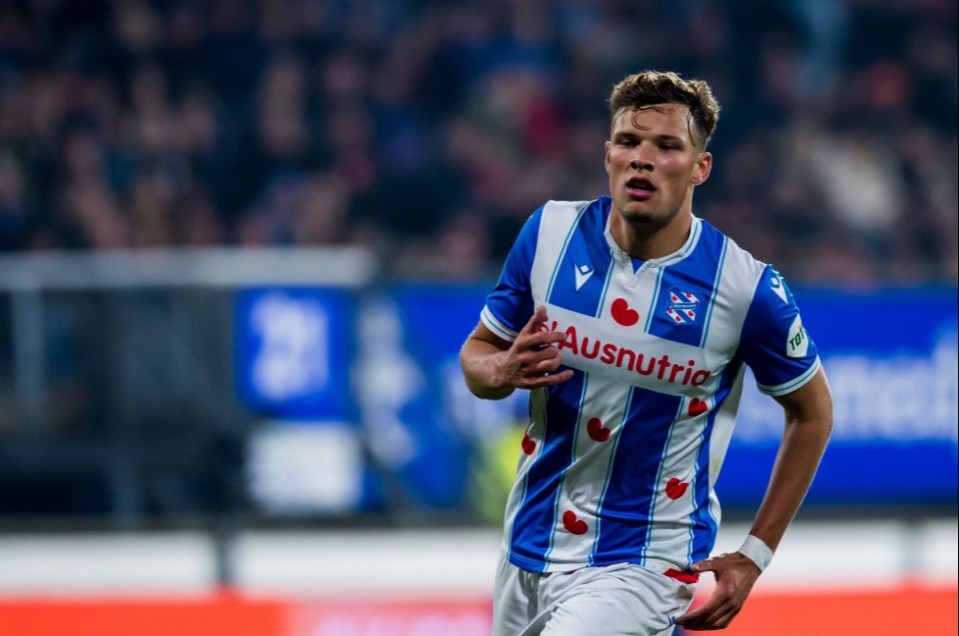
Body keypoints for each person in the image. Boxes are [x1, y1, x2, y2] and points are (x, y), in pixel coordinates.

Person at [459, 70, 833, 635]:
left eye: (667, 146)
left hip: (645, 561)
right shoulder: (549, 235)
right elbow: (478, 356)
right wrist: (501, 370)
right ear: (607, 155)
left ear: (699, 168)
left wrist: (757, 553)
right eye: (629, 143)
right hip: (527, 544)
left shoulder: (743, 287)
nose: (643, 158)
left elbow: (813, 411)